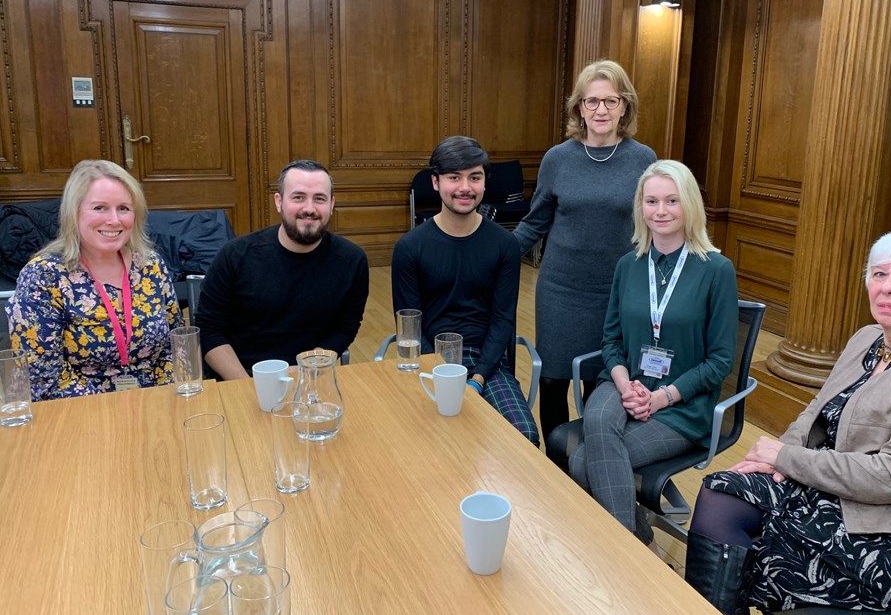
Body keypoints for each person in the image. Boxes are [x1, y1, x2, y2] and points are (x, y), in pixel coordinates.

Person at [684, 231, 891, 615]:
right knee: (722, 491)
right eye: (879, 274)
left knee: (737, 547)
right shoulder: (869, 339)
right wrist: (772, 459)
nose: (889, 288)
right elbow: (814, 413)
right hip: (841, 499)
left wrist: (786, 459)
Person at [568, 160, 738, 549]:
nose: (660, 211)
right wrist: (627, 385)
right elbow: (611, 340)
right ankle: (640, 551)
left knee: (583, 462)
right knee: (597, 419)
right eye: (651, 201)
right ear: (640, 207)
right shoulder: (629, 265)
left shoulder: (716, 270)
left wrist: (661, 397)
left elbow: (720, 361)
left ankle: (635, 548)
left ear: (689, 205)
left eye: (672, 201)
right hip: (625, 380)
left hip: (683, 404)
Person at [512, 59, 656, 450]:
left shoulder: (644, 160)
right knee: (554, 380)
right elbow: (535, 221)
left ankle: (594, 459)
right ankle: (557, 461)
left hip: (618, 293)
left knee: (603, 381)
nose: (601, 111)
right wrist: (496, 254)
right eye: (591, 102)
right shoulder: (558, 158)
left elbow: (658, 223)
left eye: (611, 101)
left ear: (625, 106)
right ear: (578, 108)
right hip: (561, 290)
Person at [392, 136, 539, 445]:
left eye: (475, 177)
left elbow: (503, 320)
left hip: (488, 365)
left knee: (522, 437)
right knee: (416, 442)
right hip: (431, 362)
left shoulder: (505, 245)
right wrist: (443, 374)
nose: (464, 187)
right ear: (435, 181)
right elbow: (410, 325)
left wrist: (477, 379)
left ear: (485, 182)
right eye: (453, 177)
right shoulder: (410, 247)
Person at [6, 160, 183, 400]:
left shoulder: (151, 265)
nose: (114, 220)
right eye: (99, 208)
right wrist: (112, 411)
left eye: (123, 208)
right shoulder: (44, 276)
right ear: (73, 212)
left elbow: (175, 347)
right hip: (80, 412)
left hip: (154, 403)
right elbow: (42, 378)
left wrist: (161, 400)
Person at [197, 160, 369, 378]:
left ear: (332, 204)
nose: (309, 209)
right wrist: (250, 385)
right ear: (279, 202)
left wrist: (311, 366)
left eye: (320, 199)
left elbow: (346, 326)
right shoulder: (235, 255)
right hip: (240, 379)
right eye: (298, 197)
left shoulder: (352, 260)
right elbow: (209, 330)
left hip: (311, 378)